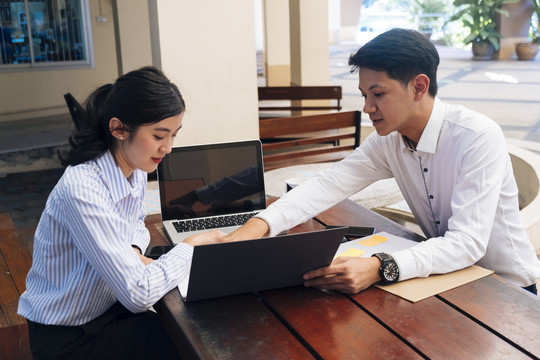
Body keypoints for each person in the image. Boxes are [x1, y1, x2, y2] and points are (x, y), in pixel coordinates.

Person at [225, 28, 540, 295]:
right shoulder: (388, 141)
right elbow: (328, 184)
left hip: (506, 288)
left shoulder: (476, 137)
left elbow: (467, 243)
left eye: (378, 94)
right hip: (446, 279)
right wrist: (258, 225)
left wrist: (380, 265)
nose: (368, 107)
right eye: (364, 95)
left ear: (418, 87)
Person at [17, 66, 226, 359]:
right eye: (158, 136)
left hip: (108, 309)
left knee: (201, 323)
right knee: (200, 341)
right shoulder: (83, 188)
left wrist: (130, 249)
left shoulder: (134, 166)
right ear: (118, 129)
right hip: (68, 338)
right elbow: (138, 294)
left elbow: (136, 223)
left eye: (173, 135)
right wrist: (189, 248)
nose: (167, 148)